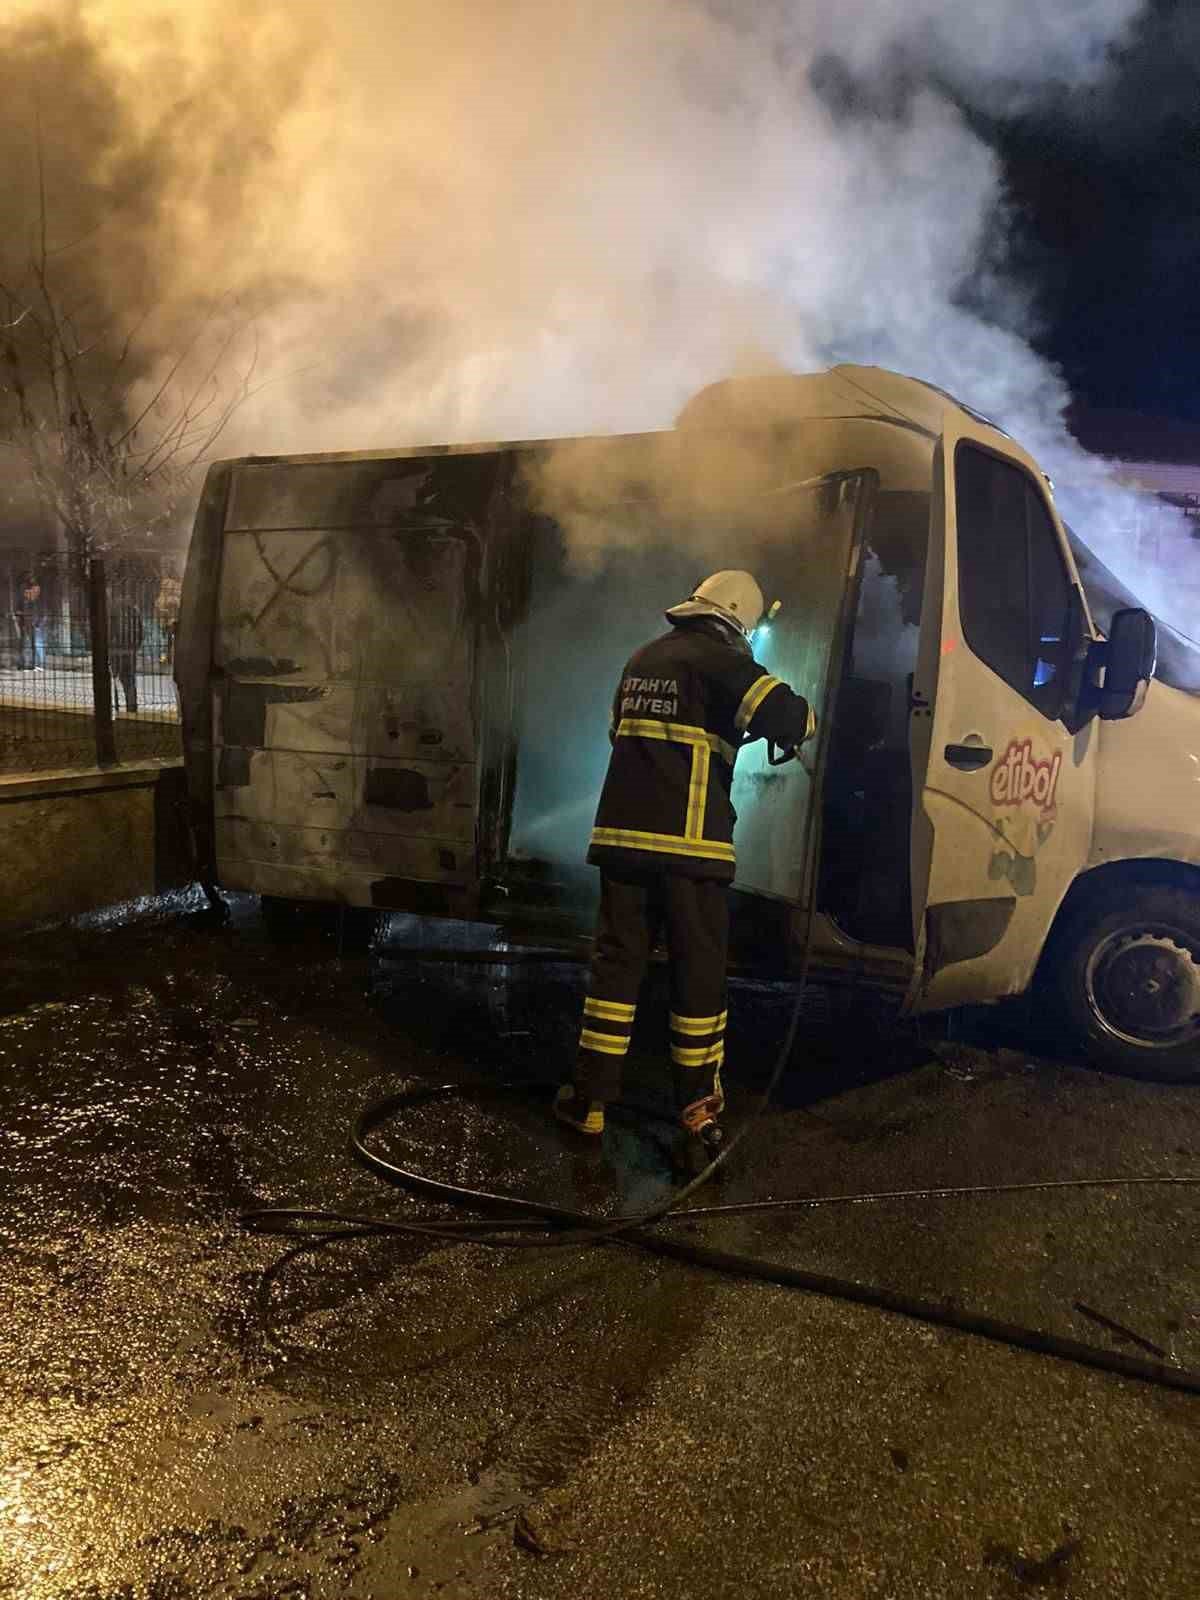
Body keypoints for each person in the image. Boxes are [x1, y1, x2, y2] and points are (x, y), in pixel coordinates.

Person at [556, 570, 816, 1159]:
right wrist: (806, 720)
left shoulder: (641, 659)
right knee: (697, 974)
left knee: (615, 974)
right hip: (690, 849)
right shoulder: (721, 661)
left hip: (622, 842)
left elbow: (625, 735)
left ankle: (589, 1102)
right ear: (736, 621)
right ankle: (698, 1110)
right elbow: (790, 718)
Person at [109, 596, 144, 713]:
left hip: (115, 652)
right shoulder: (134, 611)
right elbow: (141, 634)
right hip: (130, 653)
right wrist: (134, 648)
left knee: (114, 682)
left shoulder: (112, 610)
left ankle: (116, 709)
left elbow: (109, 632)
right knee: (130, 683)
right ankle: (132, 711)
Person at [15, 576, 47, 672]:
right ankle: (23, 665)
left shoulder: (36, 601)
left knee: (35, 645)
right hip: (25, 625)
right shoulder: (23, 601)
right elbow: (17, 612)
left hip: (34, 625)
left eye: (37, 591)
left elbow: (40, 613)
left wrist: (38, 622)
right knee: (25, 645)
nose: (36, 592)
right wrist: (22, 618)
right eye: (34, 590)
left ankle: (35, 665)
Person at [155, 572, 181, 667]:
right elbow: (157, 607)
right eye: (165, 585)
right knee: (164, 642)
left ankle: (170, 658)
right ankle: (165, 658)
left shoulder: (174, 598)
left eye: (168, 585)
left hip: (172, 623)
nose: (166, 587)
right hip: (163, 622)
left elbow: (177, 607)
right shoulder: (162, 597)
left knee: (170, 642)